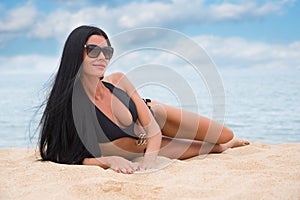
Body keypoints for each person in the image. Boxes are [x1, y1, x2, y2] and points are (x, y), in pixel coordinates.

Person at [38, 25, 249, 174]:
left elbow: (153, 131)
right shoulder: (69, 105)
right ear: (76, 53)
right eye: (93, 50)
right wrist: (108, 160)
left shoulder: (119, 80)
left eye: (107, 51)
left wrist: (150, 161)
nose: (102, 57)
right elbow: (60, 154)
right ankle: (229, 146)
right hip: (141, 146)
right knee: (215, 147)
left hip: (155, 121)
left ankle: (228, 140)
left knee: (222, 134)